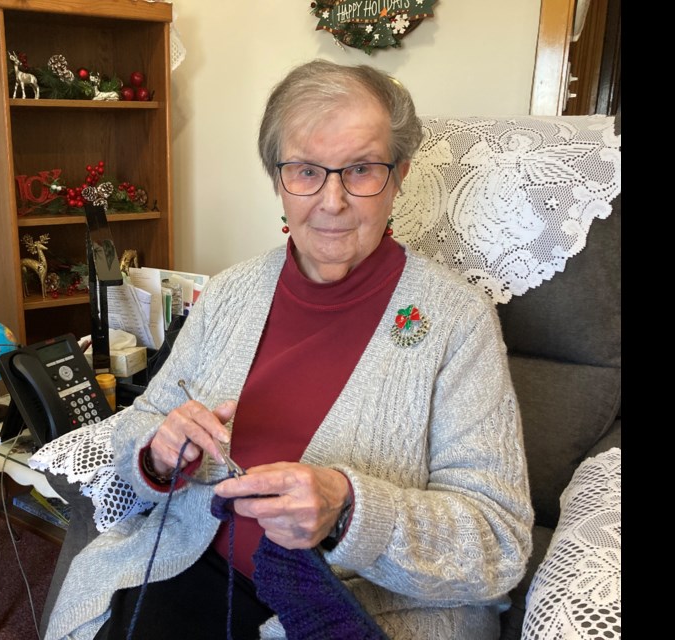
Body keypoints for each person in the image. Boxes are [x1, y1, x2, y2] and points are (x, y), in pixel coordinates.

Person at [41, 60, 534, 640]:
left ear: (397, 177)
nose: (332, 200)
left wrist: (348, 510)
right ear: (278, 180)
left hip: (359, 605)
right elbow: (146, 424)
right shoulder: (229, 293)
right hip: (194, 562)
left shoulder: (457, 321)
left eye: (360, 169)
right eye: (305, 170)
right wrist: (158, 453)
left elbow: (498, 542)